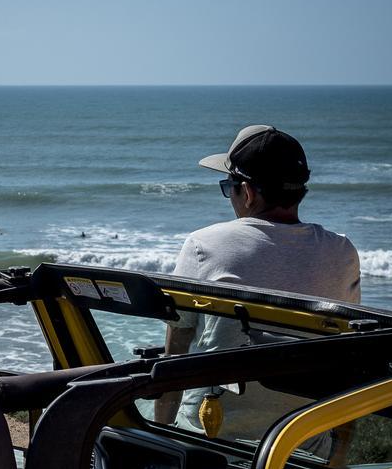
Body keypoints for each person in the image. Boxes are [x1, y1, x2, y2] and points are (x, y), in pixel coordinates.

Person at [154, 124, 361, 434]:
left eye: (228, 186)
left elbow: (175, 354)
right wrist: (338, 456)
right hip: (302, 443)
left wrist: (160, 436)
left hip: (210, 435)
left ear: (248, 192)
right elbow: (349, 351)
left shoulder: (203, 246)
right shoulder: (342, 252)